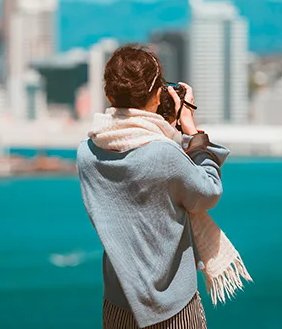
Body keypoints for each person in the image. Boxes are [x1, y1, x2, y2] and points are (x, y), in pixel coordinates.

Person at [77, 44, 230, 329]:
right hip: (174, 307)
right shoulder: (164, 154)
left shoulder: (87, 153)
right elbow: (208, 192)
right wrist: (190, 129)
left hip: (118, 301)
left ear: (109, 95)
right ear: (159, 95)